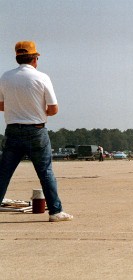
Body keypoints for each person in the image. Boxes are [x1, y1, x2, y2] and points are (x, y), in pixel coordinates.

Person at [0, 41, 73, 222]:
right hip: (36, 131)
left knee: (3, 173)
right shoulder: (42, 77)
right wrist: (39, 111)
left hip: (13, 131)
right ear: (34, 58)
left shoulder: (5, 77)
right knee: (45, 172)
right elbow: (53, 108)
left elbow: (1, 105)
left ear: (17, 57)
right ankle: (55, 211)